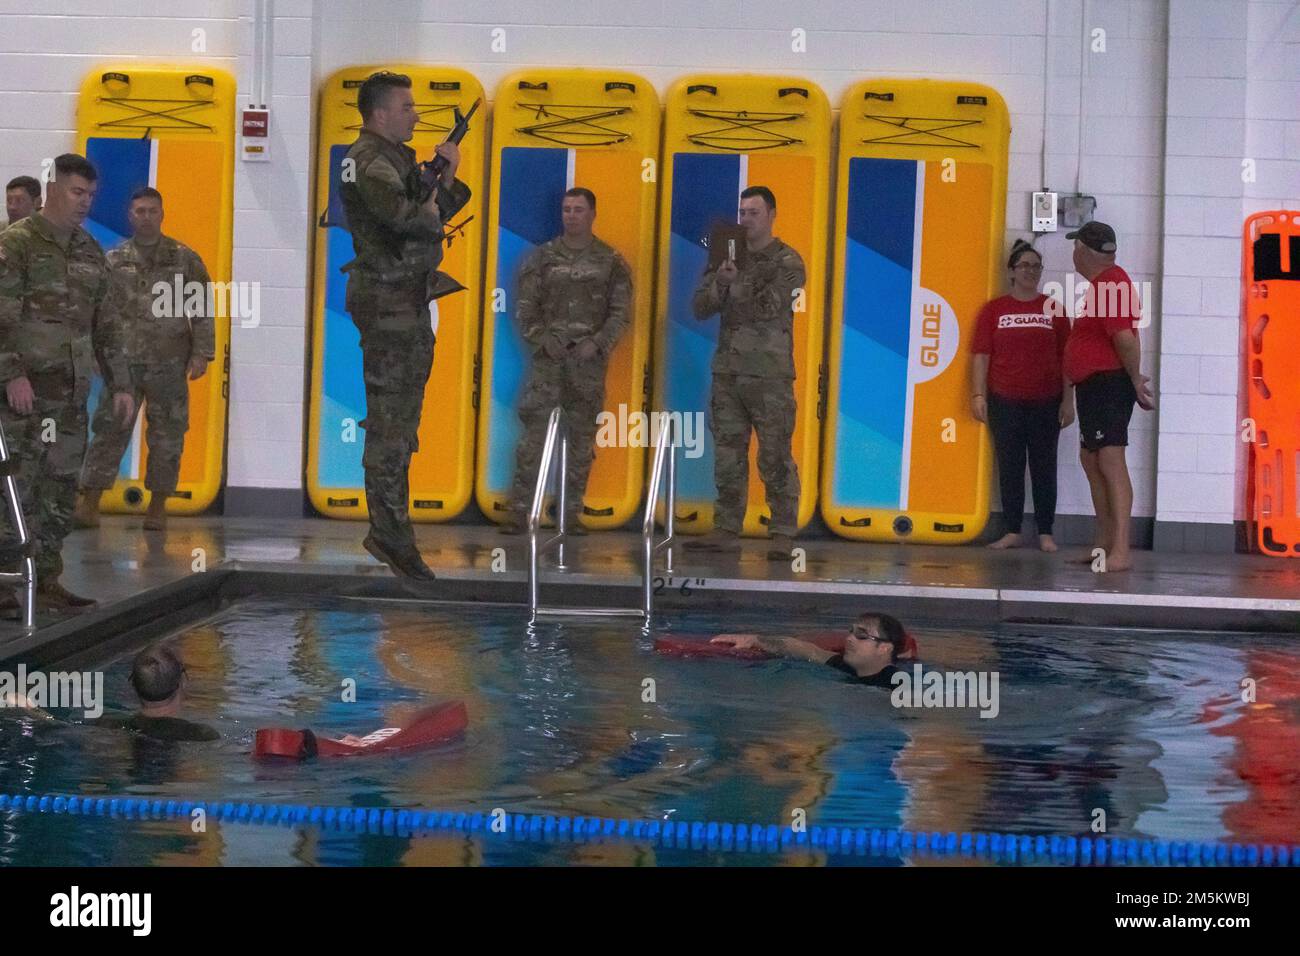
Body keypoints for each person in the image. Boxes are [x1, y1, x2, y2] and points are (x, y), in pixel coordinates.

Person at [340, 71, 471, 580]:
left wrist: (446, 177)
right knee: (391, 428)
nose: (416, 114)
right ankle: (390, 535)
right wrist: (435, 192)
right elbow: (411, 220)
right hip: (389, 304)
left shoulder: (390, 158)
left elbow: (438, 207)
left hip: (406, 302)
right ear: (380, 113)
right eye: (407, 106)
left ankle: (393, 530)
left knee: (402, 421)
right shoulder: (366, 161)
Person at [0, 153, 134, 612]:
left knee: (59, 488)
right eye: (78, 192)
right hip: (23, 394)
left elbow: (107, 323)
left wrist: (121, 383)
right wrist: (11, 373)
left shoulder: (89, 250)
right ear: (52, 189)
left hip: (70, 395)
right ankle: (4, 581)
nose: (85, 202)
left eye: (91, 195)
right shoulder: (15, 244)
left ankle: (47, 577)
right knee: (16, 487)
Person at [74, 187, 214, 533]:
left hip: (170, 364)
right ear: (130, 216)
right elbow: (97, 310)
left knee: (168, 437)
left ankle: (157, 507)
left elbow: (202, 310)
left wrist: (202, 353)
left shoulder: (185, 259)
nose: (146, 217)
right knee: (109, 431)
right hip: (122, 365)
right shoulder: (113, 259)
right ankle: (89, 503)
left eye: (152, 211)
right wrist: (94, 351)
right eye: (139, 211)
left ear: (162, 214)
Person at [500, 188, 632, 534]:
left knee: (581, 443)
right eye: (566, 209)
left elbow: (621, 313)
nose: (571, 215)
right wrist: (541, 339)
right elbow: (524, 308)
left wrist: (598, 343)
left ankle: (569, 514)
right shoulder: (541, 258)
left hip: (587, 364)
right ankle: (520, 512)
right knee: (533, 441)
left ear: (592, 214)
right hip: (548, 362)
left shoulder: (611, 261)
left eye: (578, 209)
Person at [688, 185, 805, 561]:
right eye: (741, 212)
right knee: (727, 455)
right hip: (728, 372)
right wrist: (720, 282)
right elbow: (700, 308)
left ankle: (783, 530)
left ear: (771, 215)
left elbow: (768, 306)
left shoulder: (787, 261)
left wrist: (733, 281)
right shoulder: (726, 256)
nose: (746, 220)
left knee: (774, 455)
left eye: (754, 212)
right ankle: (726, 527)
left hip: (769, 375)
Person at [1062, 221, 1155, 572]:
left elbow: (1126, 339)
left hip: (1108, 384)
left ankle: (1121, 550)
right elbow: (1127, 334)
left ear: (1083, 251)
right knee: (1092, 459)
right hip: (1096, 384)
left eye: (1075, 248)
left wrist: (1133, 379)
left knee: (1110, 460)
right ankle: (1102, 544)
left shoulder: (1112, 284)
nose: (1073, 254)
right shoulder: (1104, 285)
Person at [971, 239, 1073, 552]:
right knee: (1010, 466)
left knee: (1044, 466)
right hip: (1005, 400)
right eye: (1024, 266)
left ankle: (1046, 532)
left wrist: (1069, 401)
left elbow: (1067, 356)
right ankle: (1012, 530)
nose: (1031, 271)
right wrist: (978, 394)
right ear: (1011, 272)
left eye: (1036, 266)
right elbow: (980, 355)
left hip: (1047, 401)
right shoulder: (994, 310)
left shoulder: (1053, 309)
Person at [709, 612, 910, 687]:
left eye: (861, 635)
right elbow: (802, 649)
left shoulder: (897, 685)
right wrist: (752, 639)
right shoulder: (844, 665)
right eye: (851, 631)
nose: (849, 638)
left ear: (884, 648)